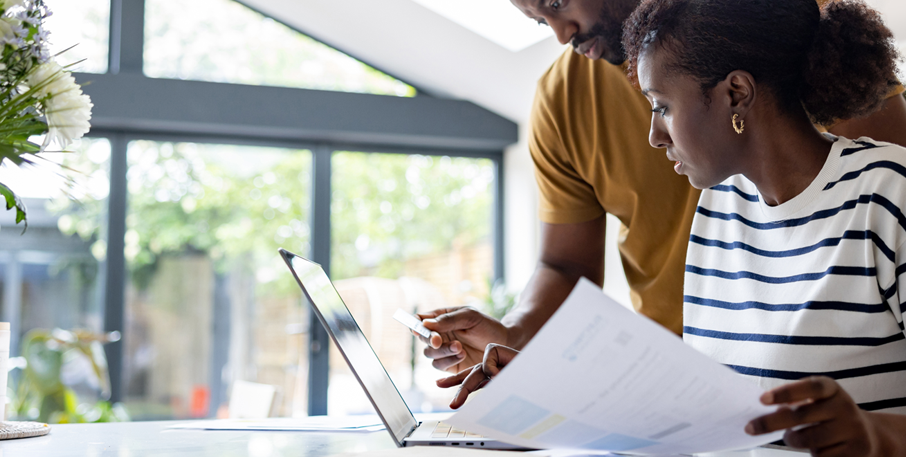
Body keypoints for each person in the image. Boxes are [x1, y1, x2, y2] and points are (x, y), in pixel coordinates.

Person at [443, 0, 906, 454]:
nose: (653, 136)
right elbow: (714, 412)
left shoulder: (889, 197)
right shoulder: (720, 209)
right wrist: (545, 388)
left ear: (736, 94)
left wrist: (875, 435)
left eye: (661, 106)